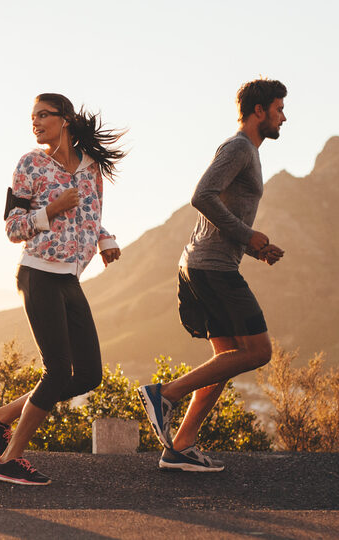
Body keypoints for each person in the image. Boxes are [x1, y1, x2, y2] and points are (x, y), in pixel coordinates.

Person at [0, 93, 125, 486]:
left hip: (69, 277)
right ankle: (9, 460)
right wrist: (52, 208)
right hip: (38, 273)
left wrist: (105, 239)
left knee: (89, 374)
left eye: (44, 115)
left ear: (66, 119)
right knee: (57, 371)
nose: (36, 122)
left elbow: (91, 218)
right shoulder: (30, 164)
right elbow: (12, 228)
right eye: (33, 117)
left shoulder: (91, 169)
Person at [137, 79, 287, 472]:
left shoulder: (248, 152)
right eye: (278, 109)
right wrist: (246, 235)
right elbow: (201, 194)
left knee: (225, 361)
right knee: (258, 352)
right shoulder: (239, 147)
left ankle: (181, 446)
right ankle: (164, 394)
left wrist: (254, 247)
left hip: (208, 263)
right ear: (259, 111)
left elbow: (223, 213)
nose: (283, 117)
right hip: (211, 268)